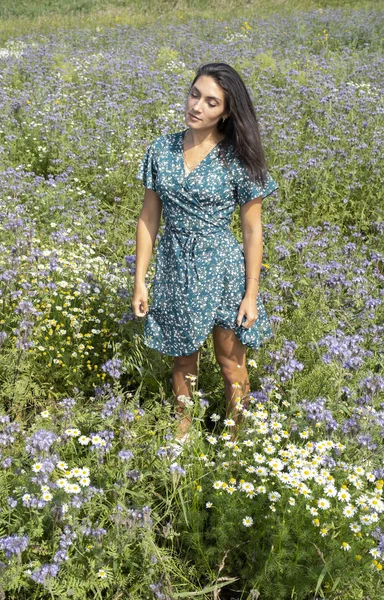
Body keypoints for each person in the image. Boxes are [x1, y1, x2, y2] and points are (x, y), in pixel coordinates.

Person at [132, 62, 278, 443]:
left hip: (223, 270)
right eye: (194, 94)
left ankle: (234, 440)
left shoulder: (237, 159)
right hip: (174, 267)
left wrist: (251, 294)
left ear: (226, 112)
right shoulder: (160, 150)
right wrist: (140, 281)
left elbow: (252, 230)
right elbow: (148, 219)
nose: (197, 106)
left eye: (211, 102)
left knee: (231, 364)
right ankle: (183, 434)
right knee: (182, 359)